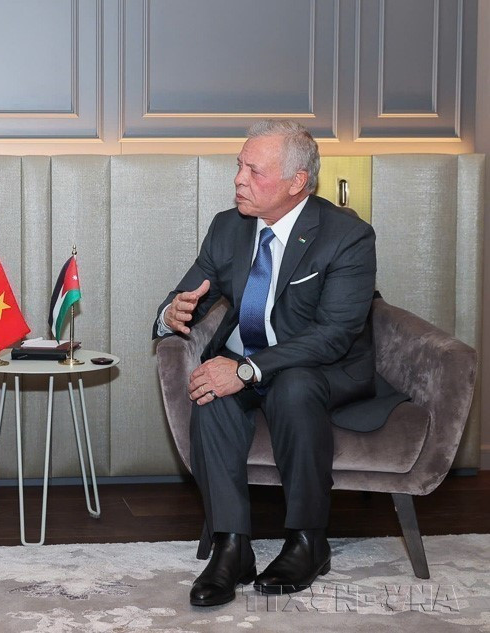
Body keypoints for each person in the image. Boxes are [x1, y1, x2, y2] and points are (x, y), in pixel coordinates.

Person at [153, 119, 403, 606]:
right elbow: (189, 294)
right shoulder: (229, 228)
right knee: (209, 386)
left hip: (323, 369)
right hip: (255, 362)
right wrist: (171, 312)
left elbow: (333, 337)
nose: (239, 180)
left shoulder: (347, 236)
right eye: (239, 166)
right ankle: (231, 546)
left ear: (297, 183)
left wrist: (246, 369)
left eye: (254, 171)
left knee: (292, 385)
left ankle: (309, 540)